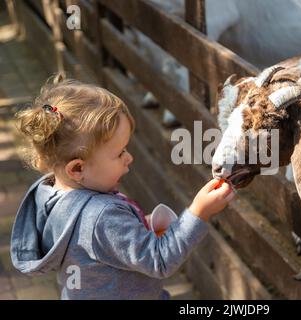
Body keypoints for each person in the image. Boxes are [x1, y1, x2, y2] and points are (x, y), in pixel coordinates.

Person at [10, 77, 235, 299]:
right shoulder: (102, 216)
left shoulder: (50, 196)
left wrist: (138, 226)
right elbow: (159, 260)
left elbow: (95, 245)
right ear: (77, 169)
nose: (129, 158)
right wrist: (199, 212)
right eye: (120, 153)